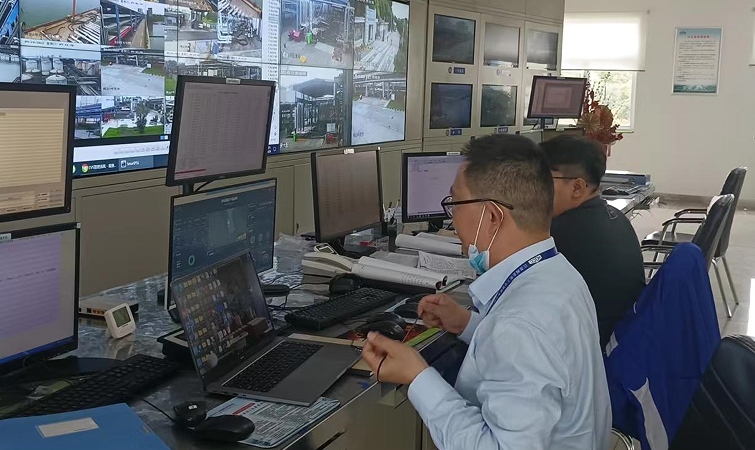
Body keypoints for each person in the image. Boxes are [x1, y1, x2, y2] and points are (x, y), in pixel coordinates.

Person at [360, 134, 611, 450]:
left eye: (455, 204)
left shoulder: (518, 327)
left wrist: (417, 377)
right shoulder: (558, 273)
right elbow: (538, 352)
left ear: (492, 217)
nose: (452, 221)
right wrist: (468, 324)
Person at [541, 135, 646, 348]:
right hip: (622, 338)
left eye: (542, 180)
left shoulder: (561, 234)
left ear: (577, 187)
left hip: (592, 349)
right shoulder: (616, 217)